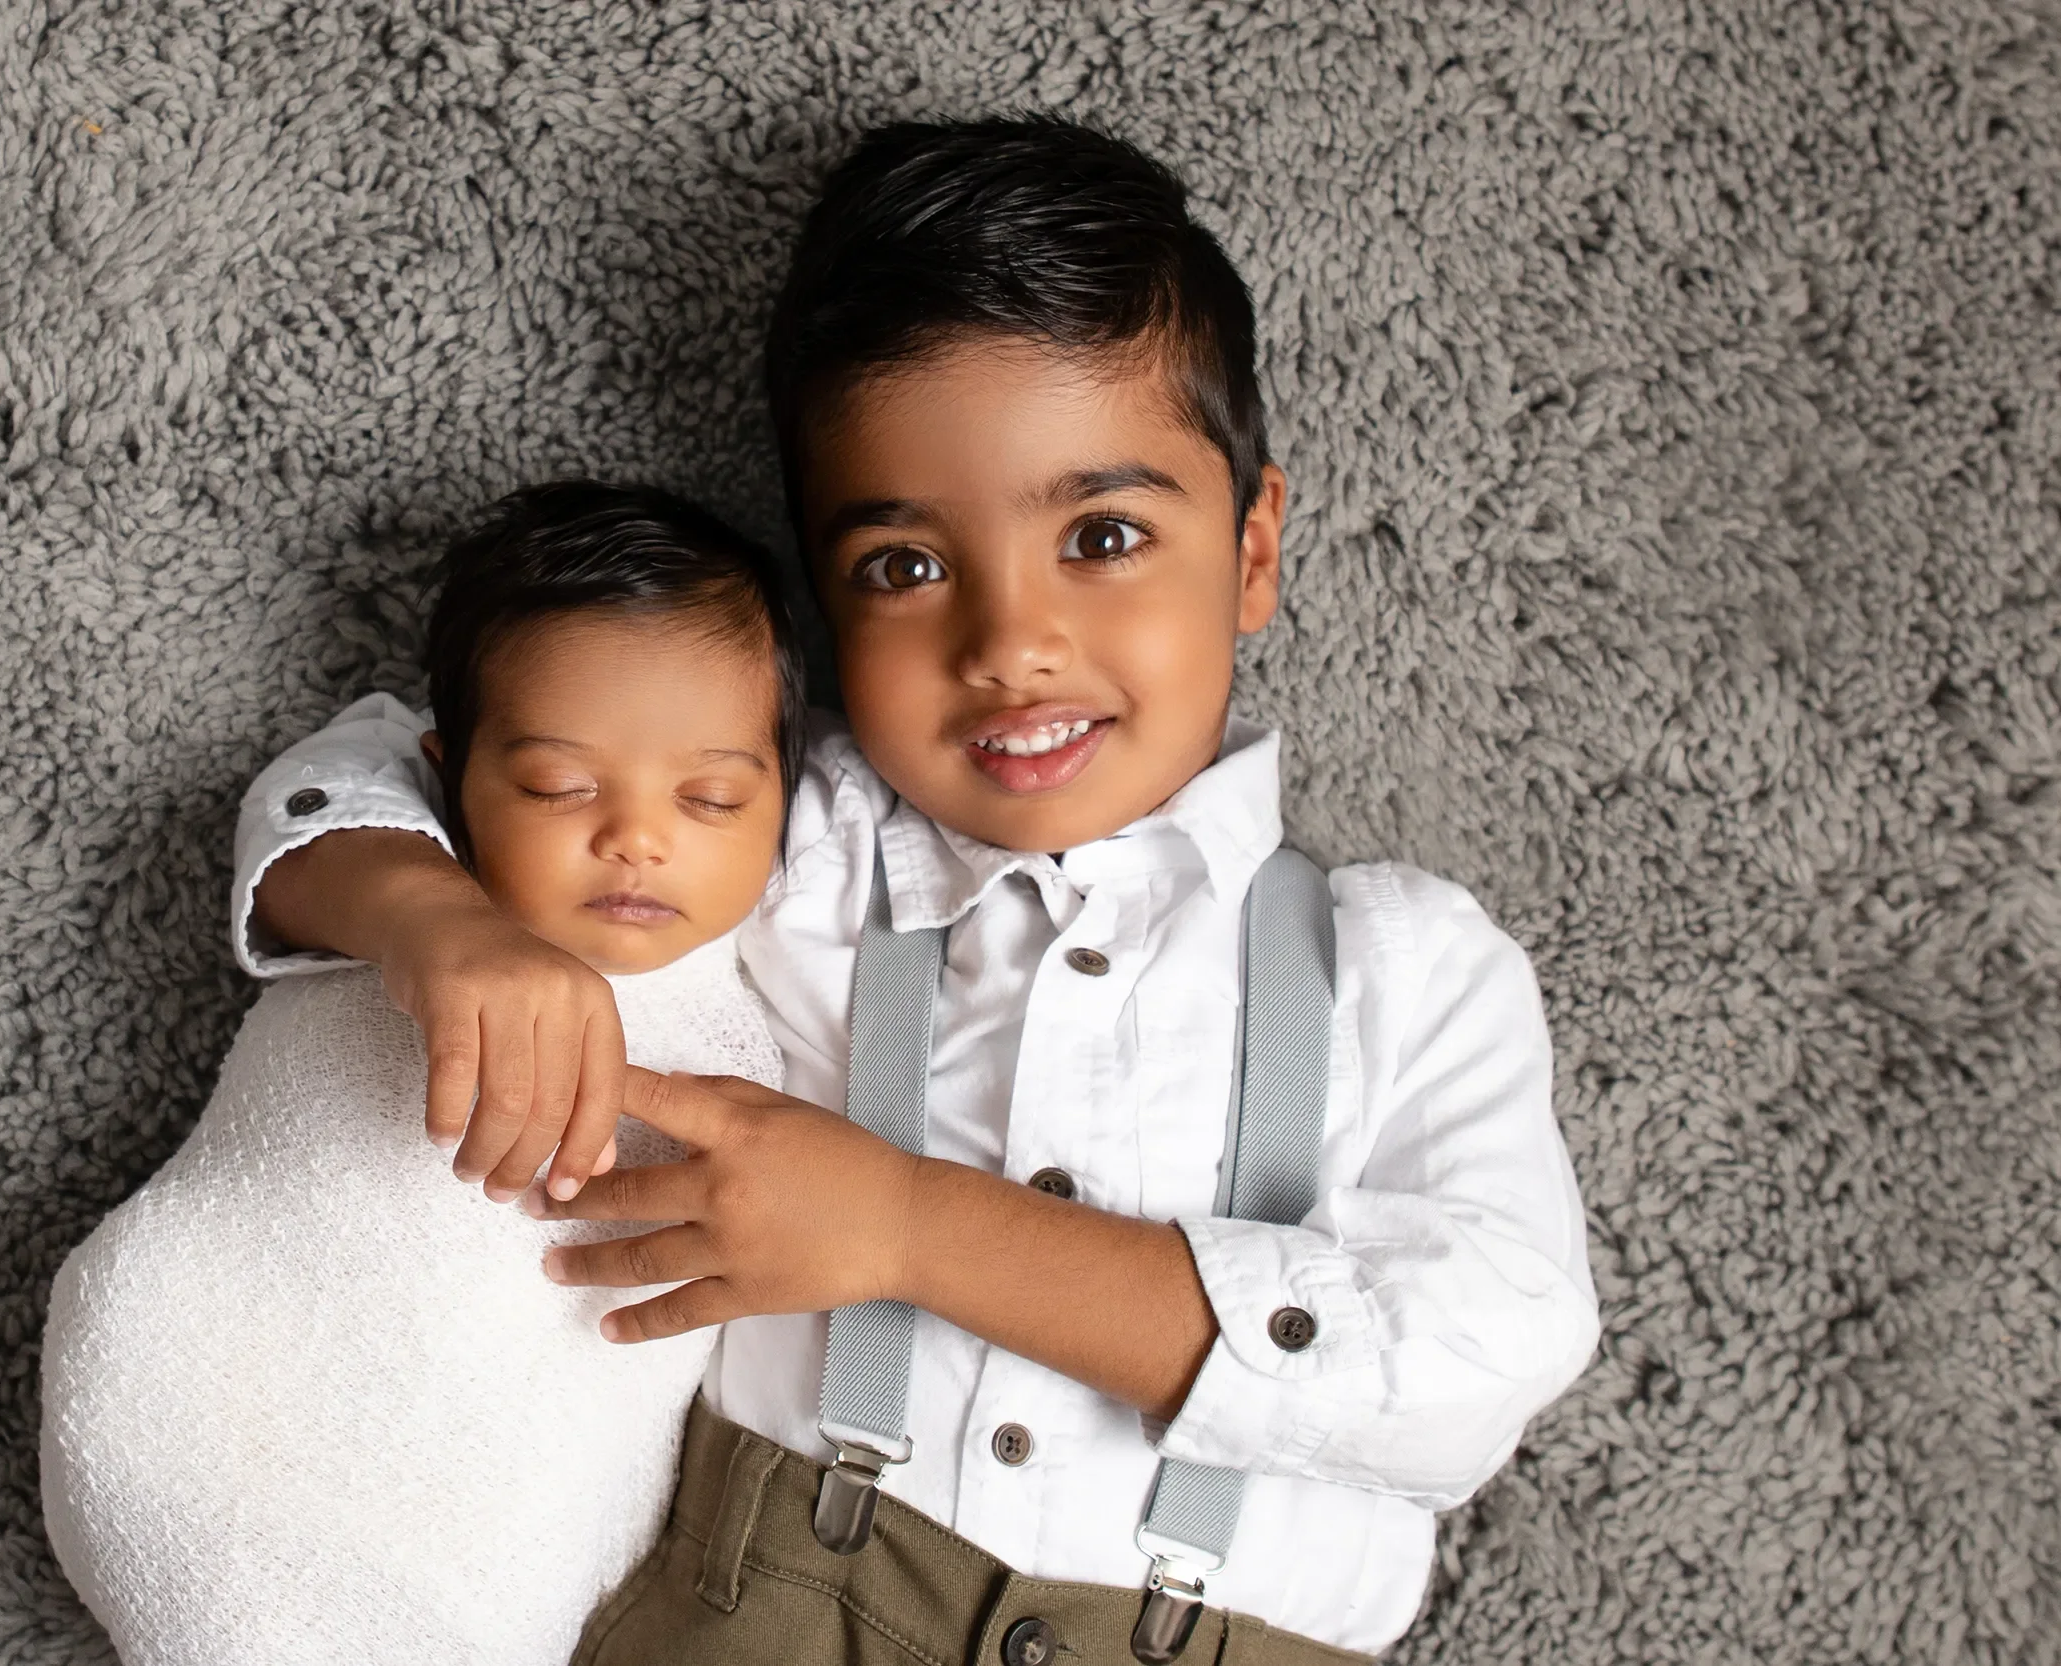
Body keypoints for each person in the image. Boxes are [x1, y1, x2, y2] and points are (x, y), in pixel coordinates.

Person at [236, 118, 1600, 1665]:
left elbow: (1474, 1365)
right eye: (904, 565)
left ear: (1252, 549)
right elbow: (361, 771)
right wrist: (442, 922)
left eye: (1103, 534)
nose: (1009, 641)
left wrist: (899, 1224)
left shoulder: (1406, 966)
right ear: (825, 603)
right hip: (771, 1604)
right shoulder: (784, 830)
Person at [38, 482, 802, 1665]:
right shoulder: (402, 838)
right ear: (451, 771)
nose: (639, 837)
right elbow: (303, 824)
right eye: (558, 786)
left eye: (710, 797)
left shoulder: (794, 952)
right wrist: (436, 922)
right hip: (233, 1357)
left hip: (509, 1478)